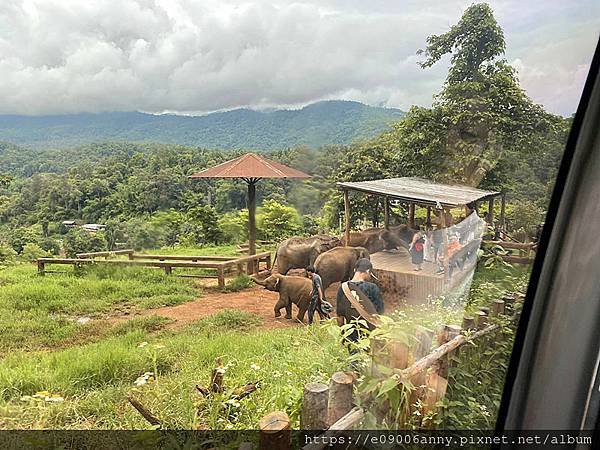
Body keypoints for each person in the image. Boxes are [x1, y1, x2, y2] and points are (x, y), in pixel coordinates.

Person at [335, 259, 384, 344]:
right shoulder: (372, 288)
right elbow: (380, 312)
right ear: (368, 271)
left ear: (354, 270)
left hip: (351, 334)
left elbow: (340, 316)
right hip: (369, 335)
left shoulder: (343, 288)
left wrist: (343, 335)